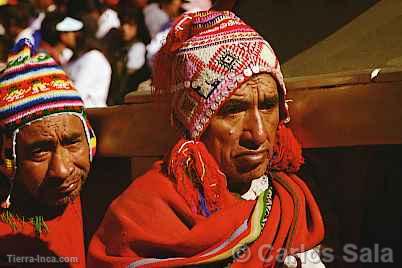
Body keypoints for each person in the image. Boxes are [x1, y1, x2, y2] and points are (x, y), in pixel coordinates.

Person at [88, 11, 325, 267]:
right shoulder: (140, 213)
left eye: (268, 106)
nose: (258, 133)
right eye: (233, 110)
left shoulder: (289, 199)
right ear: (194, 121)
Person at [0, 39, 96, 268]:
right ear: (8, 157)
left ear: (90, 140)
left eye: (73, 142)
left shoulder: (108, 193)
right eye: (40, 151)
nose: (62, 170)